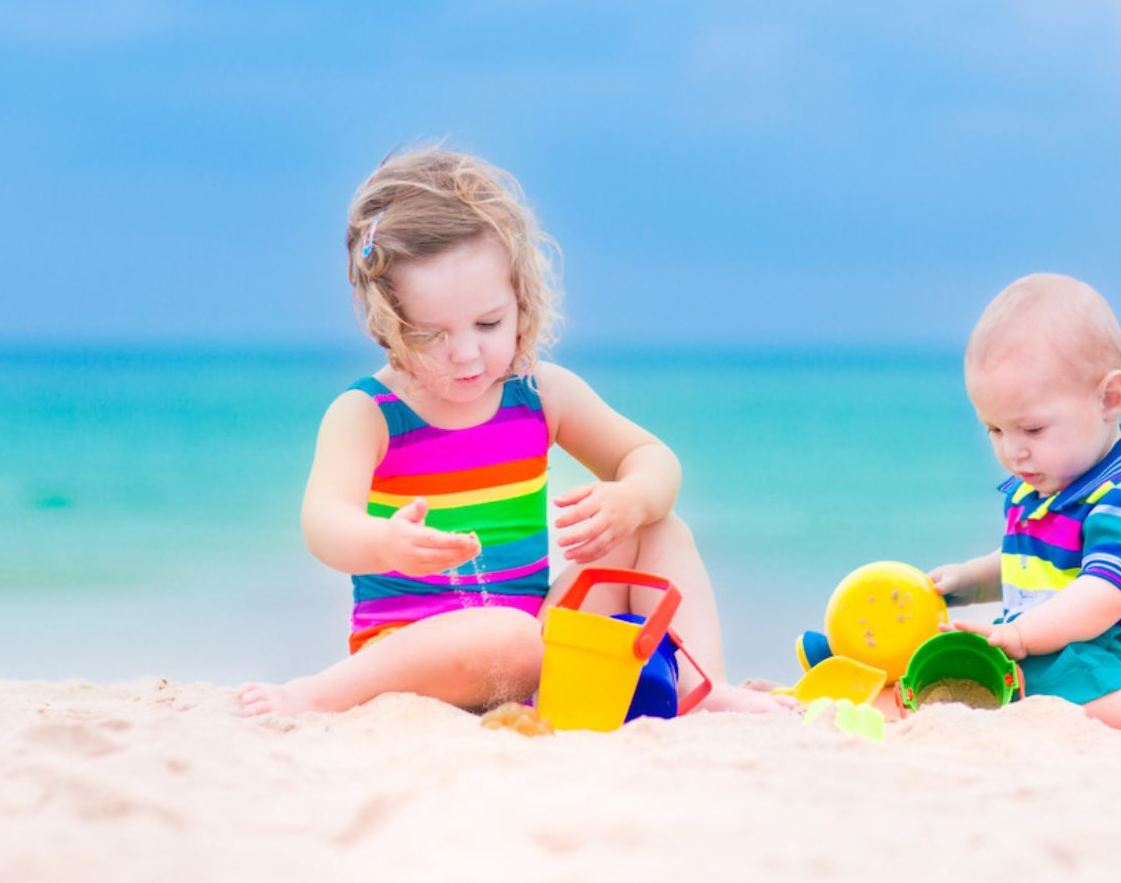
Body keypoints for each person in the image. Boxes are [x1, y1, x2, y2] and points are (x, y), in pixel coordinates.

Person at [239, 148, 780, 717]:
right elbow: (322, 522)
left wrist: (629, 499)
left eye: (488, 323)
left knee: (659, 528)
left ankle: (702, 684)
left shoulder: (538, 394)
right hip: (420, 658)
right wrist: (383, 543)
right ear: (387, 321)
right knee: (510, 636)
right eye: (430, 335)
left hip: (536, 649)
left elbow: (651, 457)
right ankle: (318, 693)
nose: (466, 353)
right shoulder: (369, 412)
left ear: (522, 302)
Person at [927, 274, 1121, 728]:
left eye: (1033, 429)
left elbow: (1104, 594)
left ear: (1109, 399)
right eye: (995, 430)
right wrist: (967, 581)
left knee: (1042, 680)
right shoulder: (1039, 488)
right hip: (1072, 643)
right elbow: (1026, 564)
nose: (1012, 451)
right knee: (995, 666)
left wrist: (1023, 634)